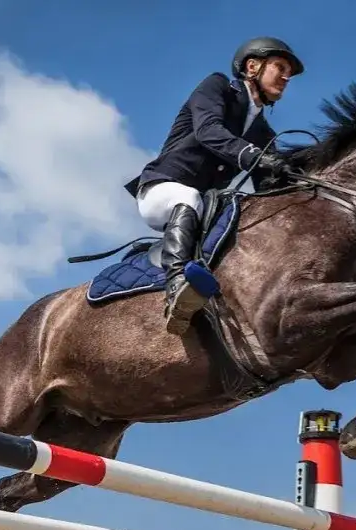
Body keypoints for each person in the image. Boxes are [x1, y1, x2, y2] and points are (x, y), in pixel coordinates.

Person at [122, 36, 304, 335]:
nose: (286, 77)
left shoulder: (264, 132)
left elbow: (269, 189)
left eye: (289, 73)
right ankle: (177, 284)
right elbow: (208, 131)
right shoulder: (217, 86)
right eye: (280, 67)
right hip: (162, 189)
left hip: (206, 207)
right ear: (252, 66)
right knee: (189, 197)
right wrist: (255, 156)